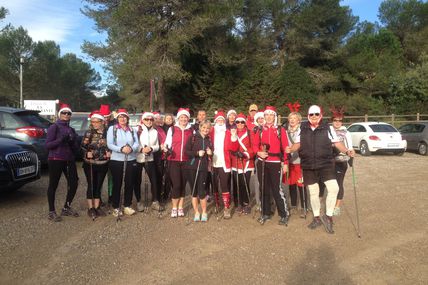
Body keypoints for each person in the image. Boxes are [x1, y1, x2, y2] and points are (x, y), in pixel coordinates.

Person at [286, 105, 355, 234]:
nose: (314, 117)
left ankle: (328, 216)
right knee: (313, 192)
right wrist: (291, 149)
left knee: (334, 188)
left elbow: (336, 143)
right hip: (308, 165)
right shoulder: (303, 128)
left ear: (321, 115)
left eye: (316, 114)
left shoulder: (328, 128)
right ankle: (316, 218)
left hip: (326, 164)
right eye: (311, 114)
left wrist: (347, 150)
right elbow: (297, 143)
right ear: (308, 116)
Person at [252, 106, 290, 225]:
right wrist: (258, 152)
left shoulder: (280, 130)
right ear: (264, 117)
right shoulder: (260, 130)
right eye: (266, 115)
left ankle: (283, 214)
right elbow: (254, 145)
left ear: (274, 116)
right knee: (263, 188)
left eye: (271, 115)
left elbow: (285, 148)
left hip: (275, 162)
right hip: (262, 162)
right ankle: (265, 213)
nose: (269, 117)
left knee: (276, 189)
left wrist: (286, 163)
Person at [45, 103, 80, 222]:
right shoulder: (54, 127)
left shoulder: (71, 129)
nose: (66, 115)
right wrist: (60, 140)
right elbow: (48, 145)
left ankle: (66, 207)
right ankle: (51, 211)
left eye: (68, 113)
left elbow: (75, 148)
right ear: (60, 114)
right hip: (55, 159)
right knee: (53, 184)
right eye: (64, 113)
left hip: (69, 159)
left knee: (74, 183)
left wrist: (72, 142)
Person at [107, 109, 139, 217]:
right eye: (120, 117)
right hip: (116, 160)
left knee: (129, 183)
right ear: (117, 118)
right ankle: (116, 206)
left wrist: (131, 148)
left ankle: (127, 205)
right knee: (117, 183)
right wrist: (121, 149)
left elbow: (136, 143)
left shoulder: (132, 130)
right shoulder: (112, 129)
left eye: (124, 117)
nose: (122, 119)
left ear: (127, 118)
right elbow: (110, 144)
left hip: (130, 159)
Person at [164, 108, 193, 218]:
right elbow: (167, 143)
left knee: (183, 185)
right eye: (181, 117)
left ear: (188, 119)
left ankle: (180, 207)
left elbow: (193, 145)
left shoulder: (191, 130)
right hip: (174, 160)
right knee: (176, 185)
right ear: (178, 118)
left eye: (185, 117)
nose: (183, 119)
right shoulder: (172, 129)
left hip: (186, 161)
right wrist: (166, 148)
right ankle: (174, 207)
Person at [81, 111, 110, 219]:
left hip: (103, 163)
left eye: (97, 122)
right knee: (91, 185)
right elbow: (82, 146)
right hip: (90, 163)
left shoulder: (108, 132)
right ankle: (90, 208)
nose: (95, 123)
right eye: (93, 122)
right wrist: (86, 153)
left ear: (102, 122)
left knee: (99, 185)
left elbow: (110, 145)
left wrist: (109, 152)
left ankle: (97, 207)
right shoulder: (89, 132)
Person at [184, 120, 213, 222]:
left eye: (208, 128)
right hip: (192, 167)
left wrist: (210, 153)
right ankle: (196, 212)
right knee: (194, 191)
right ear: (200, 127)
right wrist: (197, 153)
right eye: (204, 128)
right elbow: (186, 151)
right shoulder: (192, 137)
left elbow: (211, 152)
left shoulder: (209, 139)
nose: (205, 130)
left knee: (202, 191)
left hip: (203, 168)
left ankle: (204, 211)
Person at [283, 102, 307, 217]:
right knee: (291, 184)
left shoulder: (302, 131)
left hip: (300, 162)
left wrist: (291, 149)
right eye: (290, 118)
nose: (292, 120)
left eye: (294, 118)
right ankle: (293, 205)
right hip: (290, 162)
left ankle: (303, 206)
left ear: (299, 120)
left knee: (301, 184)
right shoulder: (285, 131)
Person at [330, 106, 353, 216]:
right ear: (332, 121)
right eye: (335, 120)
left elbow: (350, 147)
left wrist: (351, 154)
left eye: (340, 120)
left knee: (338, 184)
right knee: (327, 184)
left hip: (341, 161)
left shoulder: (346, 132)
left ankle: (337, 206)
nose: (338, 122)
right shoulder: (328, 131)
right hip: (328, 161)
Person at [210, 111, 234, 219]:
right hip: (213, 162)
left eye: (222, 120)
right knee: (214, 185)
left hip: (224, 162)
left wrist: (234, 138)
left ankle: (226, 207)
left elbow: (233, 146)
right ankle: (217, 204)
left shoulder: (228, 132)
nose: (220, 121)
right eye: (218, 120)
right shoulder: (211, 131)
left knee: (224, 185)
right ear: (215, 121)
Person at [134, 112, 160, 212]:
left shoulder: (155, 131)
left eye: (151, 119)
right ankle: (139, 201)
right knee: (137, 180)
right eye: (147, 119)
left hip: (150, 158)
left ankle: (155, 201)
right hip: (138, 158)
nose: (149, 121)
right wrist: (141, 149)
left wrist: (151, 148)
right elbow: (133, 143)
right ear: (143, 120)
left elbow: (157, 146)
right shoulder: (137, 129)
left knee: (154, 179)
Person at [230, 113, 254, 215]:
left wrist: (245, 153)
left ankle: (246, 203)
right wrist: (233, 151)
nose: (240, 124)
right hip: (235, 161)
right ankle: (238, 203)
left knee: (245, 183)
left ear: (245, 123)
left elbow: (254, 147)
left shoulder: (249, 133)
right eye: (238, 122)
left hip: (246, 161)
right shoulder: (232, 132)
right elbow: (229, 145)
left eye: (242, 122)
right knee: (237, 184)